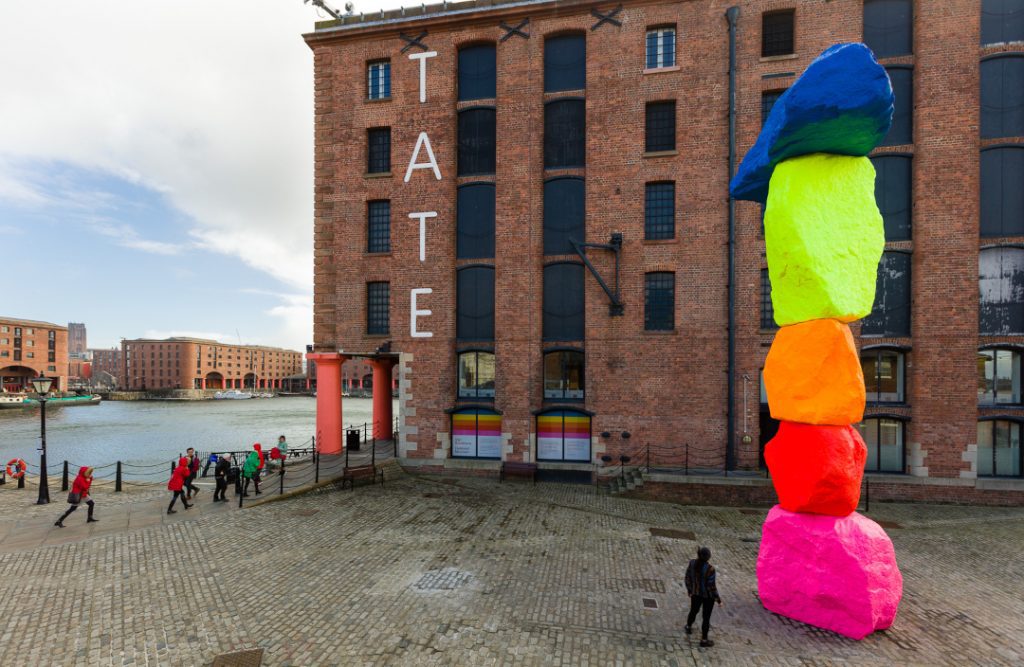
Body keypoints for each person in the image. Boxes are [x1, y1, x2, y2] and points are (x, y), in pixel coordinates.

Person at [685, 546, 723, 647]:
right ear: (708, 557)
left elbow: (687, 577)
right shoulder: (710, 569)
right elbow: (711, 587)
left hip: (696, 594)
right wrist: (718, 600)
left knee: (693, 610)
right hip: (708, 597)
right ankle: (704, 640)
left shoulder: (692, 563)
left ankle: (688, 626)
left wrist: (689, 590)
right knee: (706, 617)